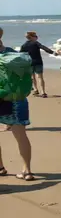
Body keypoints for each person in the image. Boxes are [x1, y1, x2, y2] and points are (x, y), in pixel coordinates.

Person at [0, 39, 33, 180]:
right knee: (21, 136)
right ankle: (27, 170)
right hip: (17, 98)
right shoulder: (14, 54)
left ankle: (0, 167)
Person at [20, 31, 55, 98]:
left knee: (32, 77)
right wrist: (52, 52)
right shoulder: (35, 43)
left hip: (29, 63)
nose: (37, 37)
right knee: (40, 77)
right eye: (35, 36)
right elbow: (43, 47)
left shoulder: (24, 45)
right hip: (38, 62)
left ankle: (36, 89)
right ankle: (43, 92)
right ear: (32, 37)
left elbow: (21, 55)